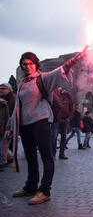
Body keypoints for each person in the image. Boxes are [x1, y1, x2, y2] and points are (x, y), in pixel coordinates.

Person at [9, 50, 85, 205]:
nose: (27, 66)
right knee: (30, 156)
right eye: (24, 64)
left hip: (40, 121)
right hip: (25, 124)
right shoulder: (22, 83)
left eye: (30, 63)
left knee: (46, 156)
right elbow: (18, 106)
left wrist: (72, 61)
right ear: (21, 66)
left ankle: (45, 191)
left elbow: (61, 70)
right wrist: (9, 127)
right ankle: (31, 186)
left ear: (36, 64)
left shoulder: (43, 79)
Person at [50, 87, 73, 160]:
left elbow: (71, 107)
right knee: (54, 137)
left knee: (63, 137)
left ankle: (62, 153)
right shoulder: (54, 93)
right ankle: (53, 154)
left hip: (65, 119)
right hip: (56, 119)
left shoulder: (67, 95)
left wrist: (68, 118)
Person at [0, 83, 15, 165]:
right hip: (2, 126)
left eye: (3, 88)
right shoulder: (1, 99)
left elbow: (11, 115)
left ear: (9, 89)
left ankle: (5, 160)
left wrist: (9, 128)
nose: (1, 90)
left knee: (4, 146)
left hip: (8, 127)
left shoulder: (13, 100)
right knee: (4, 146)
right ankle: (7, 158)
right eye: (0, 88)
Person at [0, 98, 10, 171]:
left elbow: (7, 117)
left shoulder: (3, 104)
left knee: (1, 147)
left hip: (1, 130)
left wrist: (7, 128)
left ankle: (1, 163)